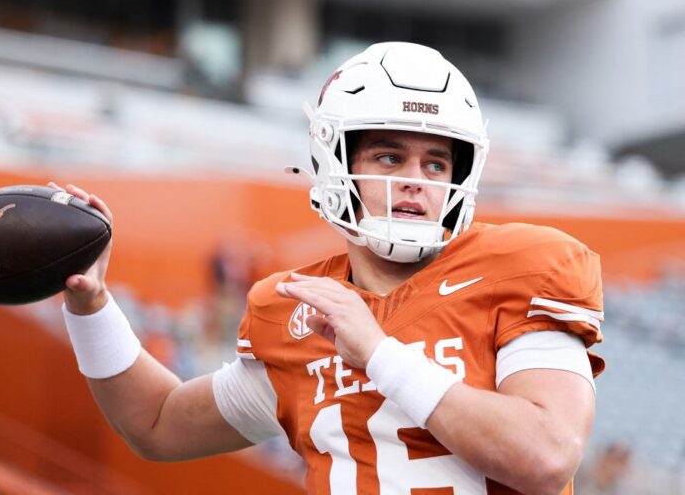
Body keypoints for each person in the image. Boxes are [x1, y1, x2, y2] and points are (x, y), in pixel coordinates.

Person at [55, 42, 604, 495]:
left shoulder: (521, 268)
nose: (415, 180)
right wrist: (91, 304)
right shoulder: (302, 315)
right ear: (336, 163)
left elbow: (545, 457)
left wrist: (380, 354)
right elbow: (158, 424)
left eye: (436, 163)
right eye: (390, 157)